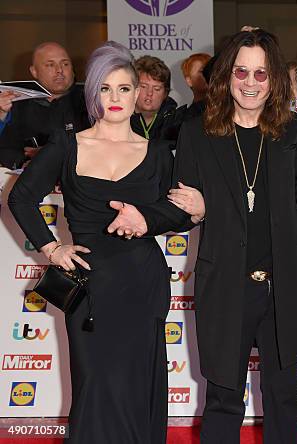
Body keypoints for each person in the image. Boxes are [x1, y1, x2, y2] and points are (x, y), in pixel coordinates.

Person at [105, 29, 297, 444]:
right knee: (223, 400)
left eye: (261, 73)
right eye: (242, 71)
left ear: (274, 78)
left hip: (285, 284)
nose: (251, 82)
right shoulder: (197, 132)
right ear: (227, 75)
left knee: (284, 398)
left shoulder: (289, 129)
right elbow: (181, 205)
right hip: (225, 284)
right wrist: (146, 219)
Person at [8, 41, 179, 443]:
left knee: (138, 388)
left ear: (138, 94)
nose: (115, 98)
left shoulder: (158, 153)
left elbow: (182, 215)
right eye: (105, 88)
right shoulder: (68, 145)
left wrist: (152, 218)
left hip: (142, 282)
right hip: (92, 286)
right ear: (92, 94)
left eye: (123, 88)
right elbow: (21, 198)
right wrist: (53, 248)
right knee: (95, 386)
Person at [0, 42, 90, 168]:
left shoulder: (91, 102)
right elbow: (6, 149)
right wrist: (25, 163)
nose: (59, 70)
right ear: (34, 71)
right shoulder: (17, 105)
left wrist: (52, 154)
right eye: (50, 65)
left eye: (65, 64)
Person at [131, 55, 180, 141]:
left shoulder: (177, 124)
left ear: (165, 93)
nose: (149, 93)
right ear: (133, 89)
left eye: (156, 89)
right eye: (143, 86)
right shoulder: (119, 120)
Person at [177, 53, 212, 120]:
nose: (209, 74)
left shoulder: (228, 109)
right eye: (202, 71)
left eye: (211, 69)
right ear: (189, 81)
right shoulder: (183, 118)